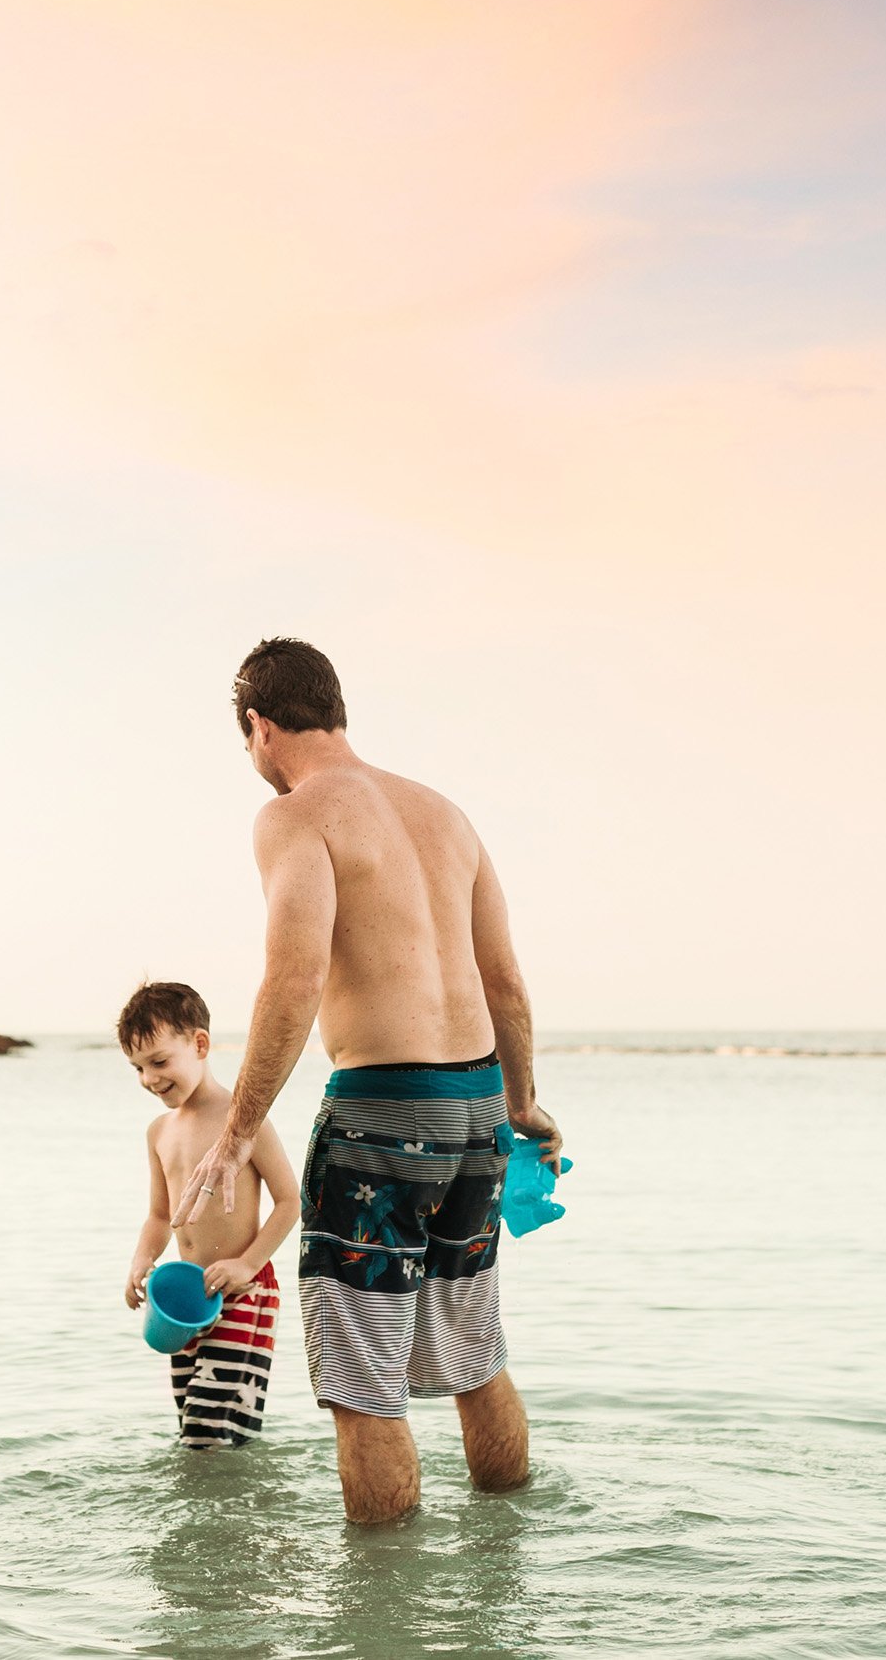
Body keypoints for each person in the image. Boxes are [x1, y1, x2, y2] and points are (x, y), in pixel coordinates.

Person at [177, 638, 563, 1520]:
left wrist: (235, 1135)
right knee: (475, 1350)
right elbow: (504, 978)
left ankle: (379, 1622)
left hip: (381, 1115)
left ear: (259, 726)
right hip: (476, 1112)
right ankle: (505, 1560)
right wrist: (523, 1104)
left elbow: (295, 975)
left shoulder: (297, 814)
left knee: (364, 1384)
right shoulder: (445, 813)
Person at [118, 981, 300, 1449]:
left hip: (243, 1290)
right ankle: (210, 1517)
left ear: (199, 1044)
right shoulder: (159, 1131)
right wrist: (142, 1259)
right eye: (138, 1068)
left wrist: (246, 1264)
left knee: (211, 1431)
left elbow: (289, 1202)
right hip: (183, 1299)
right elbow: (161, 1217)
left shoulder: (242, 1119)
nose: (149, 1079)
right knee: (192, 1427)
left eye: (159, 1061)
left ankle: (236, 1517)